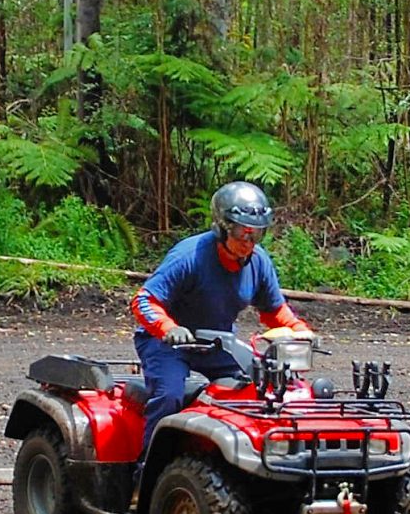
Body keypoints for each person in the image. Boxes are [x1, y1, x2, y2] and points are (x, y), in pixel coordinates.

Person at [130, 182, 311, 455]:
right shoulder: (189, 256)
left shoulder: (258, 261)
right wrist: (168, 327)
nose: (249, 242)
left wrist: (298, 329)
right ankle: (146, 472)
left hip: (217, 345)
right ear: (222, 227)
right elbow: (144, 300)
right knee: (169, 397)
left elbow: (274, 310)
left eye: (257, 234)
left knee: (260, 387)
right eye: (242, 232)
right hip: (167, 344)